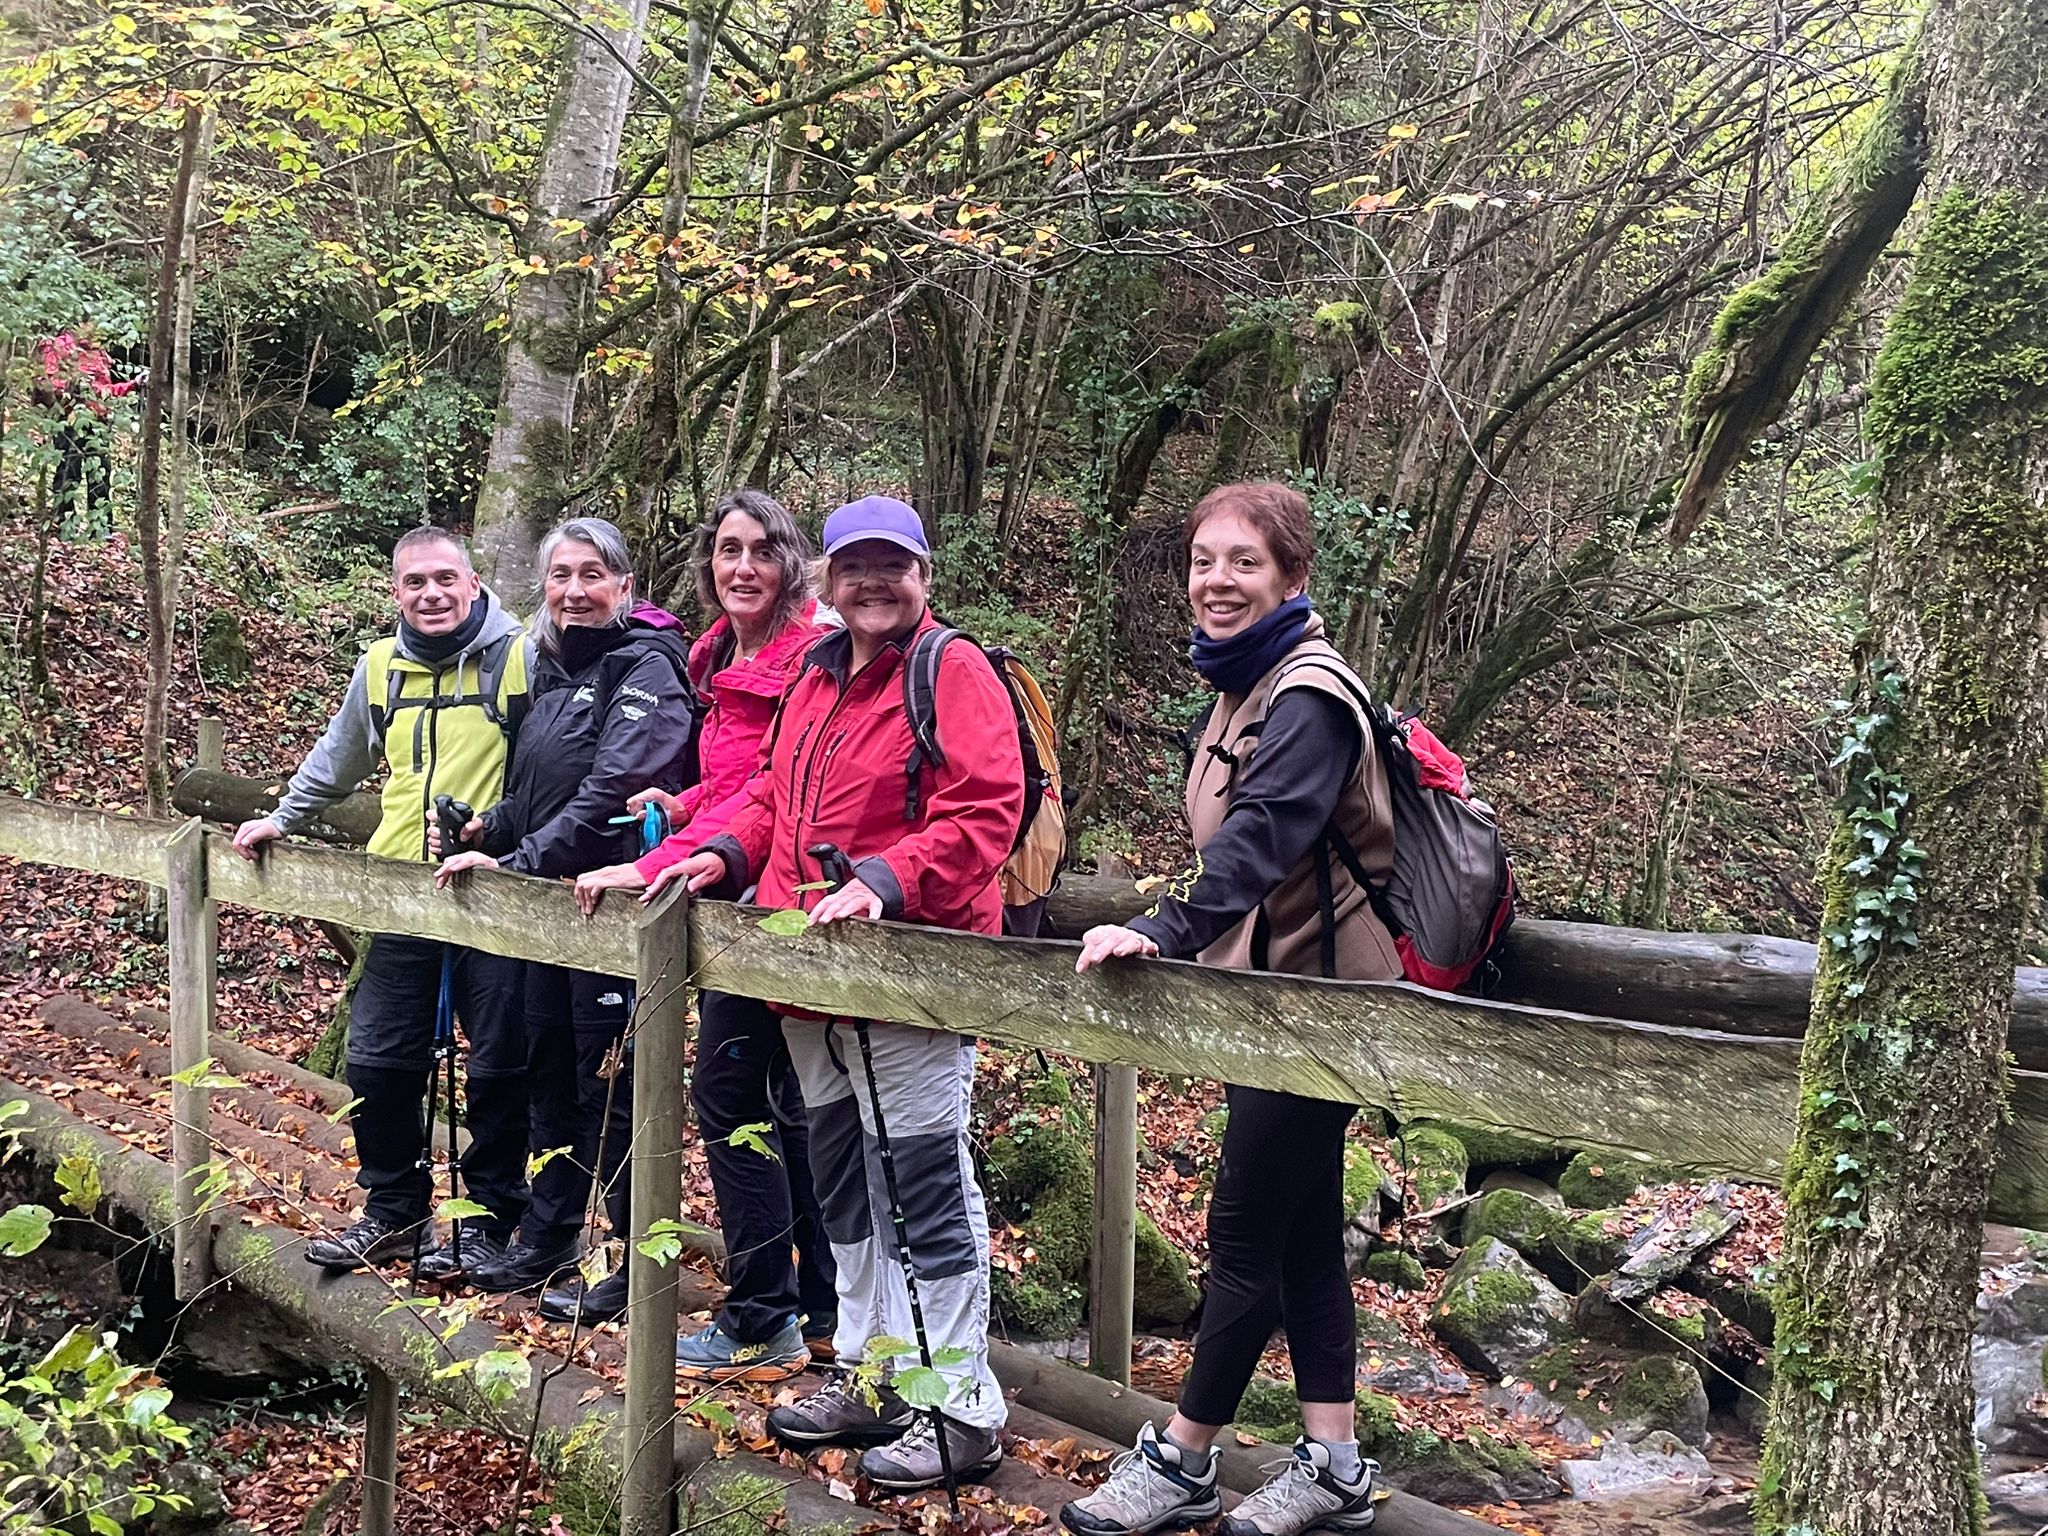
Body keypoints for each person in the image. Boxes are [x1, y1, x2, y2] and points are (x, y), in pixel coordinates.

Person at [664, 495, 1021, 1492]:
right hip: (808, 981)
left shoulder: (951, 669)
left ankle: (960, 1405)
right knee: (846, 1187)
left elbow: (985, 809)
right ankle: (871, 1369)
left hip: (910, 976)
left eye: (890, 566)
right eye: (853, 567)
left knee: (923, 1185)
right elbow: (772, 796)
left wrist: (884, 880)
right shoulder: (814, 676)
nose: (871, 583)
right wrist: (721, 853)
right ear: (826, 577)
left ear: (922, 577)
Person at [1058, 482, 1393, 1536]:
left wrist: (1162, 926)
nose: (1217, 580)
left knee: (1243, 1232)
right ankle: (1335, 1463)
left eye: (1244, 561)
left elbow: (1261, 837)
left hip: (1322, 1005)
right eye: (1203, 560)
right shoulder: (1242, 685)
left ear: (1292, 576)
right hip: (1271, 997)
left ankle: (1183, 1459)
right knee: (1300, 1232)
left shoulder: (1307, 694)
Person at [566, 490, 838, 1371]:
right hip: (737, 884)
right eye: (728, 550)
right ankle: (816, 1304)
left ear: (790, 562)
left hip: (774, 899)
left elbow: (778, 788)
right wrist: (682, 804)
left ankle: (765, 1312)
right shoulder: (717, 650)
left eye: (761, 550)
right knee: (781, 1102)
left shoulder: (811, 656)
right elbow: (736, 777)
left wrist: (664, 859)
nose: (742, 567)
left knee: (735, 1097)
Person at [232, 526, 532, 1275]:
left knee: (500, 1066)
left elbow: (552, 766)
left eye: (445, 579)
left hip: (500, 891)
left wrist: (510, 836)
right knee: (377, 1061)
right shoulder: (380, 668)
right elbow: (341, 755)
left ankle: (493, 1222)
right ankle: (396, 1212)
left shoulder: (521, 657)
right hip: (403, 892)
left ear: (472, 583)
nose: (431, 594)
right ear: (396, 592)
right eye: (415, 583)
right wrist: (283, 817)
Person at [432, 516, 696, 1293]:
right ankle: (547, 1238)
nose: (574, 591)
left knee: (610, 1085)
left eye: (591, 575)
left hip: (614, 911)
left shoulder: (646, 667)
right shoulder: (553, 670)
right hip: (552, 910)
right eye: (560, 575)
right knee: (548, 1073)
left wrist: (514, 862)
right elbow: (536, 792)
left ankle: (637, 1263)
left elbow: (612, 791)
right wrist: (488, 828)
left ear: (624, 586)